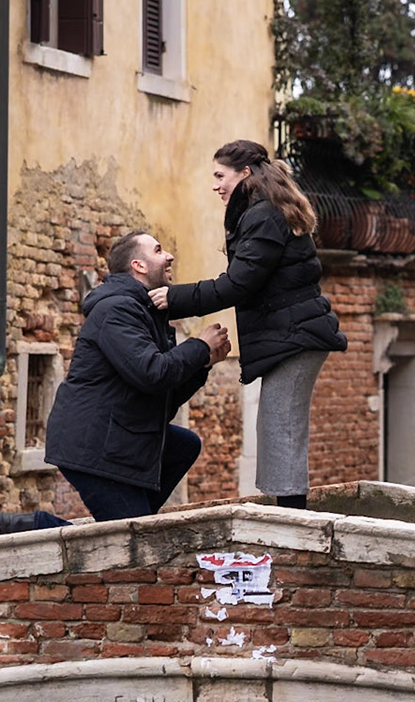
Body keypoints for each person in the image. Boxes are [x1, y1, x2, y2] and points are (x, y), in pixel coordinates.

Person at [149, 141, 347, 508]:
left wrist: (172, 297)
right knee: (277, 428)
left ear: (244, 174)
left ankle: (293, 524)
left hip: (298, 337)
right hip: (295, 336)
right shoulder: (261, 212)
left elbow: (238, 284)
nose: (215, 185)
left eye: (220, 175)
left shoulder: (263, 215)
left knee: (280, 429)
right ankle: (289, 516)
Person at [44, 231, 231, 521]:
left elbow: (162, 397)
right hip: (93, 445)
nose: (168, 256)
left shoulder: (146, 313)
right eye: (158, 250)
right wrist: (200, 345)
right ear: (138, 266)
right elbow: (153, 373)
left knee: (183, 446)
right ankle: (34, 528)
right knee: (133, 539)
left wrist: (203, 364)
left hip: (119, 437)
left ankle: (132, 520)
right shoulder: (116, 310)